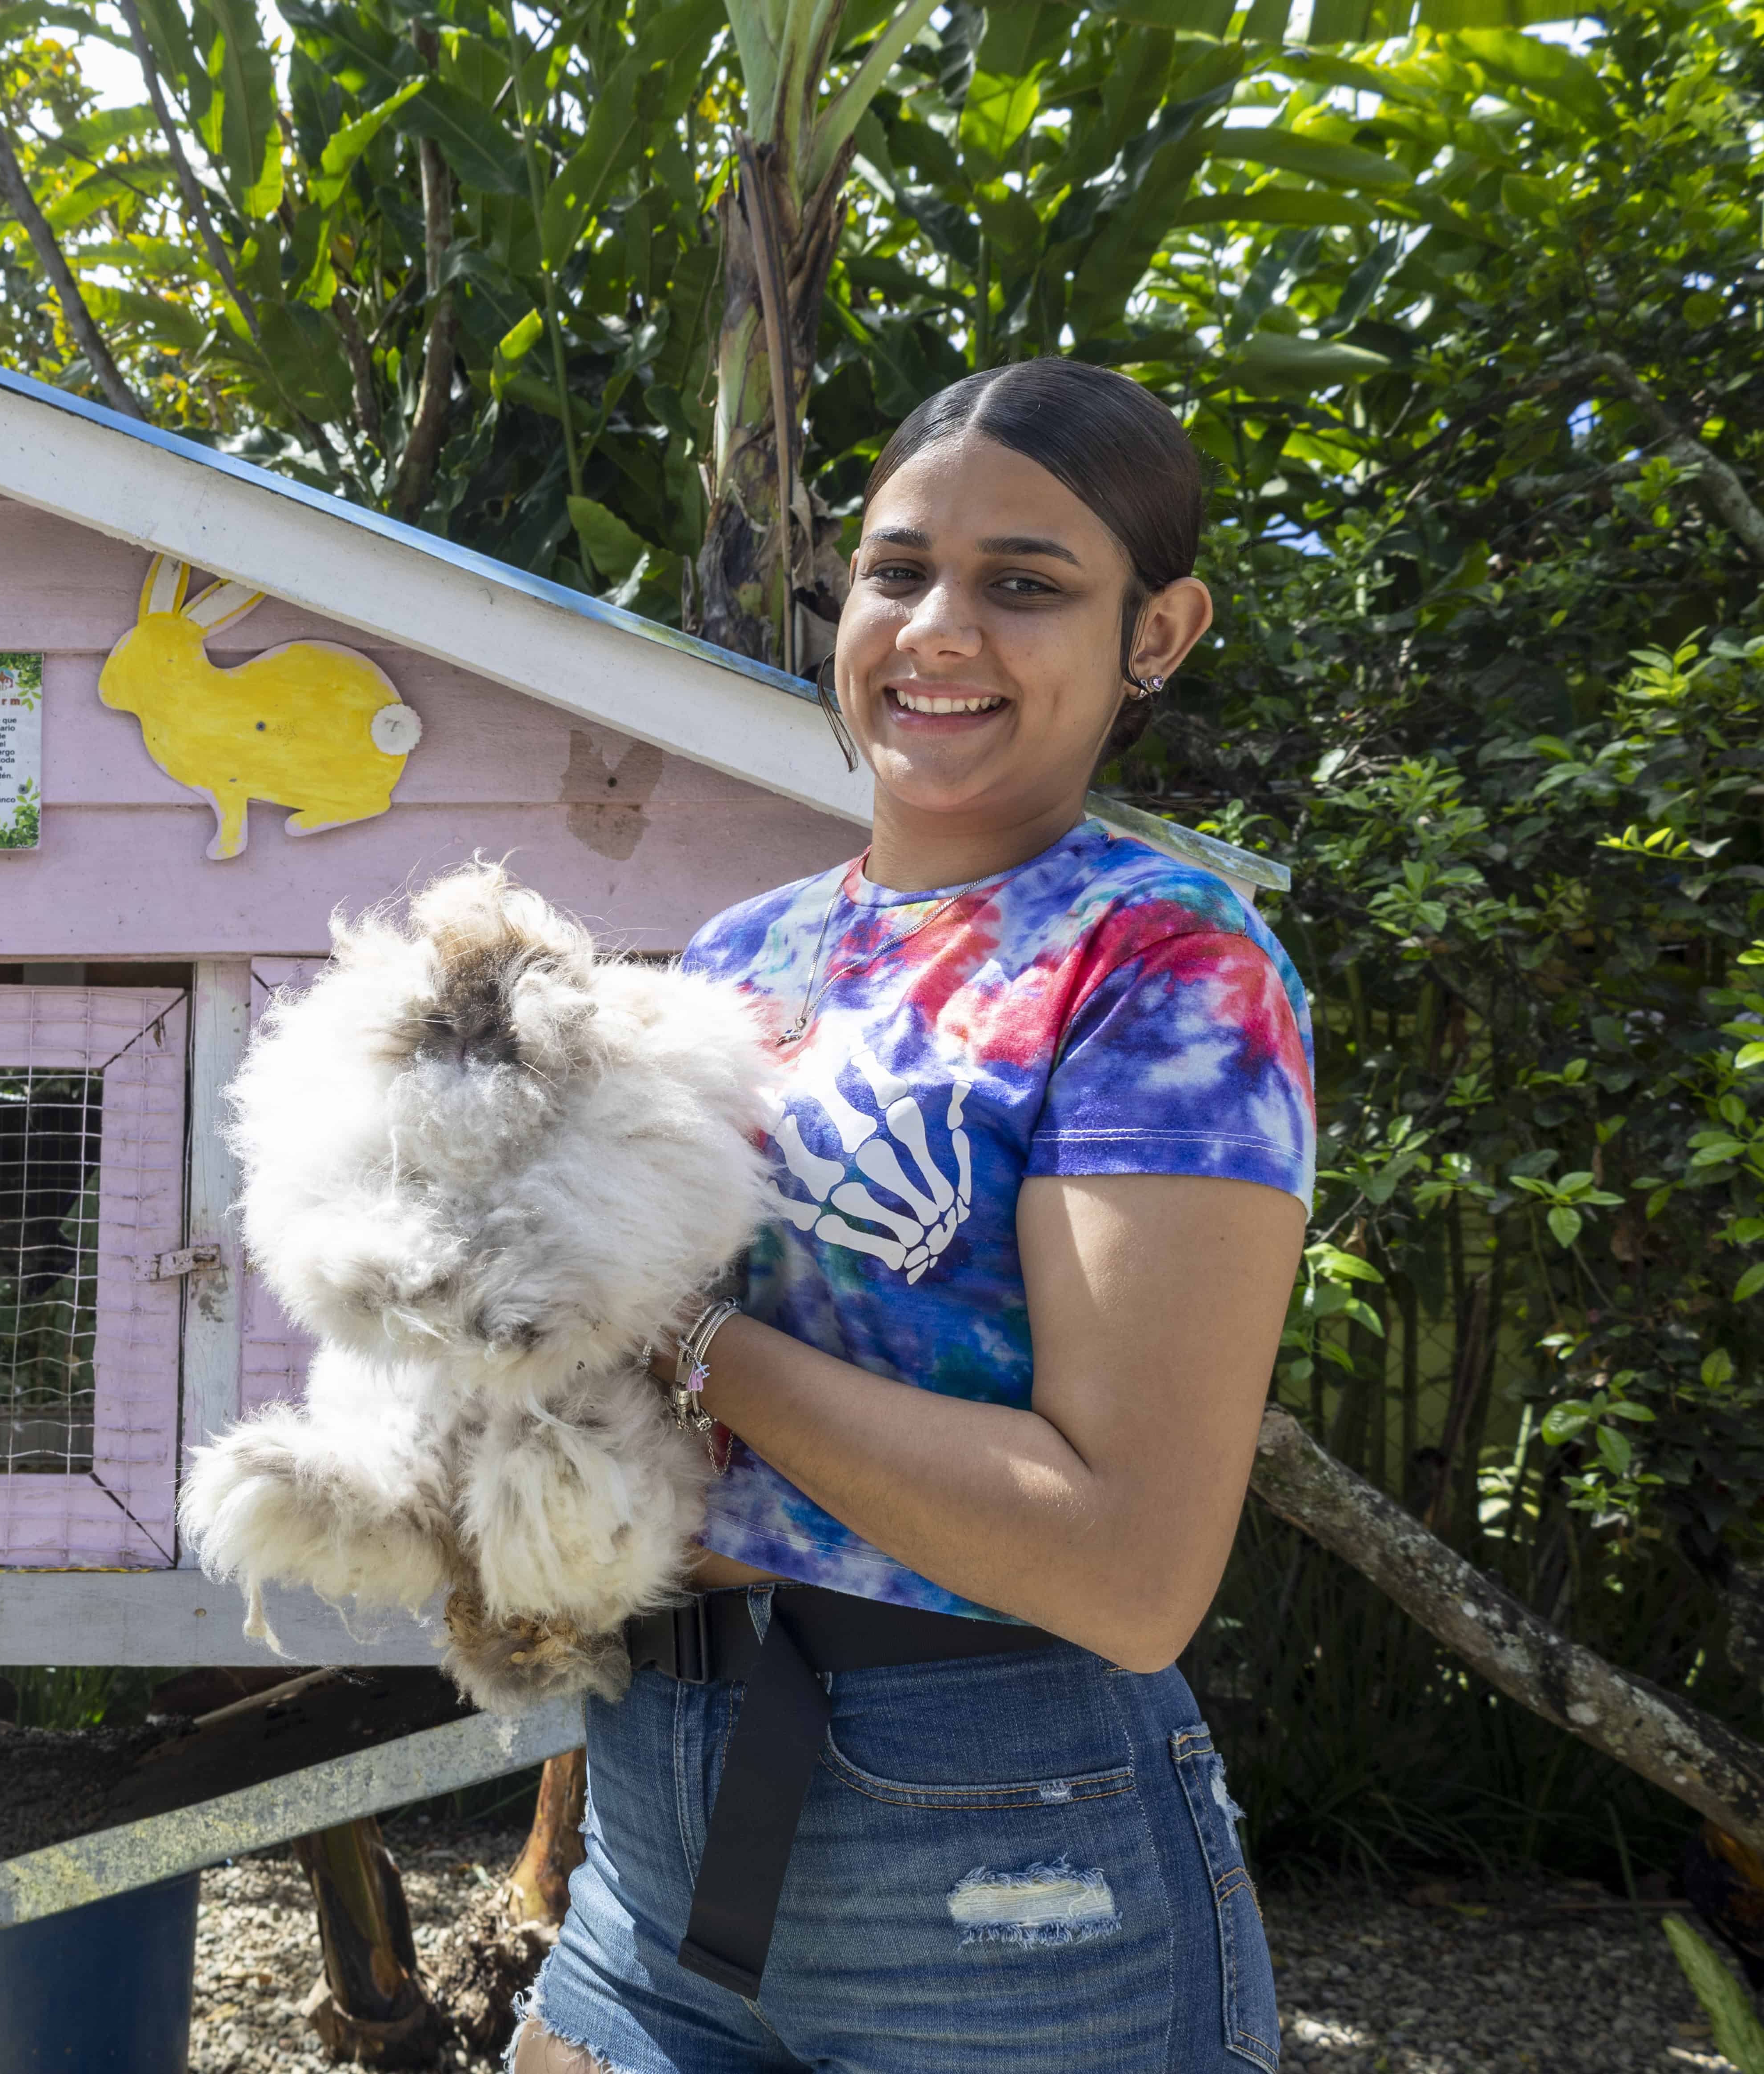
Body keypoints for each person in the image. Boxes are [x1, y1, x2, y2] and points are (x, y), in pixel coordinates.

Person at [513, 359, 1314, 2074]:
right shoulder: (741, 954)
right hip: (660, 1816)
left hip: (1005, 1853)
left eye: (1026, 584)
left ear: (1157, 633)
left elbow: (1130, 1568)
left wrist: (688, 1343)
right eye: (897, 571)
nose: (940, 629)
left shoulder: (1164, 964)